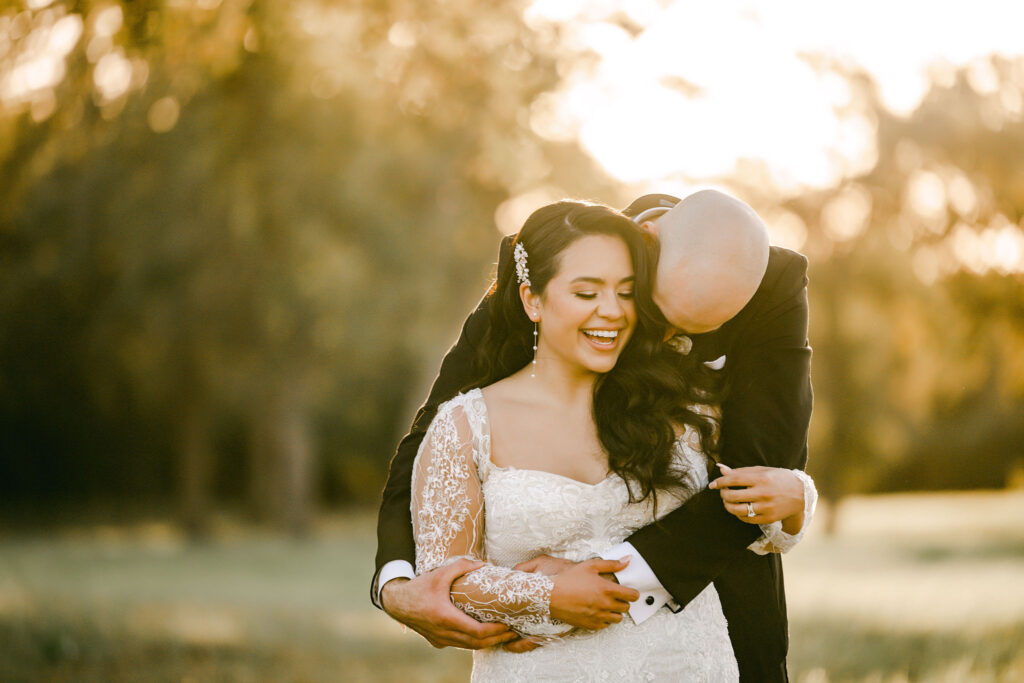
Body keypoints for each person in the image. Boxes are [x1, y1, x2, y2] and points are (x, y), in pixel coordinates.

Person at [374, 190, 814, 681]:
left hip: (713, 616)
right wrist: (396, 583)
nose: (657, 338)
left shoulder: (774, 286)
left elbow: (758, 474)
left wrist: (604, 579)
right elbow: (436, 434)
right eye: (654, 310)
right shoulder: (552, 262)